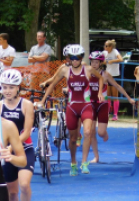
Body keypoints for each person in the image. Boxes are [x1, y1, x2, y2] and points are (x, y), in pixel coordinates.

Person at [39, 44, 104, 176]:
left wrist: (100, 93)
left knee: (87, 132)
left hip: (86, 105)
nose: (74, 60)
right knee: (73, 138)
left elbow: (101, 78)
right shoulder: (65, 70)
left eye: (77, 58)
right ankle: (73, 163)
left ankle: (84, 162)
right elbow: (53, 84)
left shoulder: (88, 69)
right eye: (72, 58)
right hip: (72, 107)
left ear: (81, 58)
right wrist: (43, 100)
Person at [0, 69, 35, 201]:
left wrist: (13, 145)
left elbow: (26, 131)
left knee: (24, 184)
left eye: (11, 87)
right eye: (4, 87)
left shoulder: (26, 105)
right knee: (11, 192)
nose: (7, 91)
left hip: (24, 149)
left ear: (18, 88)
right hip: (7, 153)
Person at [89, 51, 135, 163]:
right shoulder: (87, 73)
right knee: (91, 132)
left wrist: (128, 98)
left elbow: (117, 86)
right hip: (90, 104)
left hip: (102, 105)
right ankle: (96, 156)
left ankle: (104, 132)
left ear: (100, 63)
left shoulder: (105, 75)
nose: (94, 64)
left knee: (100, 132)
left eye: (96, 62)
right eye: (92, 62)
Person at [102, 40, 123, 121]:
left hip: (115, 75)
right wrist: (106, 62)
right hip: (107, 75)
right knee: (108, 96)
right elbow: (102, 61)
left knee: (115, 96)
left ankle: (115, 114)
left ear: (110, 47)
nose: (105, 47)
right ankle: (107, 113)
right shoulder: (104, 53)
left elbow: (120, 59)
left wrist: (112, 61)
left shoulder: (115, 51)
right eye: (105, 45)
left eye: (106, 46)